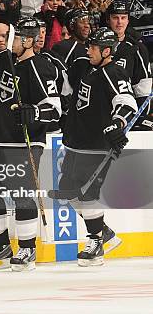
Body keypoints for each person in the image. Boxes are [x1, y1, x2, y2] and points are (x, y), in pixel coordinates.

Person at [0, 20, 61, 272]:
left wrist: (34, 111)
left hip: (22, 143)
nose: (9, 43)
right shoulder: (7, 61)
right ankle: (1, 246)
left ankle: (27, 248)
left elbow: (55, 108)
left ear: (27, 41)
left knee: (21, 193)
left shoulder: (40, 66)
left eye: (14, 39)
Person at [56, 27, 137, 266]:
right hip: (77, 143)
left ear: (106, 51)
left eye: (92, 47)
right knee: (66, 190)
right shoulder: (92, 70)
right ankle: (104, 233)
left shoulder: (113, 72)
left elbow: (126, 102)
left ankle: (96, 242)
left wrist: (117, 123)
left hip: (95, 145)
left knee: (87, 192)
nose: (88, 50)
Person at [106, 1, 152, 128]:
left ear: (128, 20)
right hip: (99, 110)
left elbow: (143, 88)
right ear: (108, 20)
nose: (119, 22)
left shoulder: (137, 48)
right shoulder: (95, 46)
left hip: (126, 112)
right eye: (115, 17)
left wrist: (141, 117)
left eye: (123, 18)